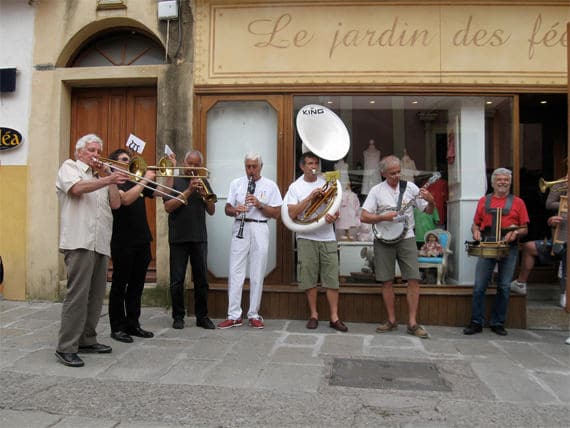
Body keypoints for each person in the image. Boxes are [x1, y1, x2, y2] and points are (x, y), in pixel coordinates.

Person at [55, 134, 127, 367]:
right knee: (77, 295)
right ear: (80, 152)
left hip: (100, 241)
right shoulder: (70, 166)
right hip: (79, 240)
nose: (97, 155)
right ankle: (66, 346)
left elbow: (115, 204)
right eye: (92, 150)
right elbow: (76, 189)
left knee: (96, 296)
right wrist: (106, 180)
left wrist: (111, 179)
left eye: (98, 150)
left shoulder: (102, 176)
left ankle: (87, 339)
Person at [360, 155, 435, 339]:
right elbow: (363, 216)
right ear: (383, 173)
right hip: (383, 239)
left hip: (406, 237)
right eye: (392, 173)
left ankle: (412, 322)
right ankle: (391, 320)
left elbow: (428, 210)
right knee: (386, 280)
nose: (397, 176)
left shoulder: (410, 188)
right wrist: (382, 218)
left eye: (399, 172)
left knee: (413, 279)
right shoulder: (376, 191)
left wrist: (431, 200)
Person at [283, 152, 348, 332]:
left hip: (327, 236)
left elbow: (335, 207)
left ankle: (334, 317)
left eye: (316, 163)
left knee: (332, 278)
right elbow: (292, 213)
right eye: (310, 163)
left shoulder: (326, 183)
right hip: (306, 236)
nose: (313, 166)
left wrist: (334, 215)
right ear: (302, 167)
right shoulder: (295, 187)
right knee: (309, 278)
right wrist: (311, 197)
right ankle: (314, 314)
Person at [217, 153, 282, 329]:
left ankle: (253, 314)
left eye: (254, 166)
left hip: (260, 227)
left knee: (257, 271)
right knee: (235, 271)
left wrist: (260, 204)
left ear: (261, 166)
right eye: (248, 166)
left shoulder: (270, 185)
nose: (251, 170)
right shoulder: (236, 183)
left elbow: (276, 214)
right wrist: (235, 209)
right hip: (240, 225)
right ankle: (234, 315)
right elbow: (227, 209)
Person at [463, 168, 529, 336]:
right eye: (499, 179)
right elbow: (475, 224)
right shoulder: (484, 201)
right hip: (487, 245)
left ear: (510, 182)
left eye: (506, 180)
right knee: (479, 286)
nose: (502, 182)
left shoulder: (518, 202)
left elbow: (525, 229)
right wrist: (475, 231)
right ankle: (476, 322)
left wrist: (515, 233)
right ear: (492, 182)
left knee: (505, 286)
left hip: (509, 247)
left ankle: (498, 322)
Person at [107, 149, 163, 343]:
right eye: (123, 160)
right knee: (119, 285)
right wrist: (145, 180)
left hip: (142, 240)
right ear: (113, 164)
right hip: (123, 242)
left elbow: (162, 193)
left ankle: (133, 324)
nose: (128, 162)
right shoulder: (114, 183)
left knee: (137, 286)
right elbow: (125, 200)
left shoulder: (135, 180)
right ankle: (117, 327)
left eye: (129, 159)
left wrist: (169, 172)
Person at [164, 150, 216, 330]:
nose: (192, 168)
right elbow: (168, 207)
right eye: (190, 164)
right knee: (177, 280)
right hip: (178, 238)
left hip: (199, 237)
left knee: (202, 280)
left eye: (196, 165)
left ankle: (202, 316)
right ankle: (178, 316)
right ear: (184, 163)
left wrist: (203, 193)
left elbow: (211, 210)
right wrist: (188, 191)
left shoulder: (204, 181)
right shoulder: (174, 181)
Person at [511, 178, 567, 304]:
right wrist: (551, 221)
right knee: (530, 247)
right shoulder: (560, 186)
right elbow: (549, 204)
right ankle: (520, 283)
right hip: (560, 239)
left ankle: (565, 292)